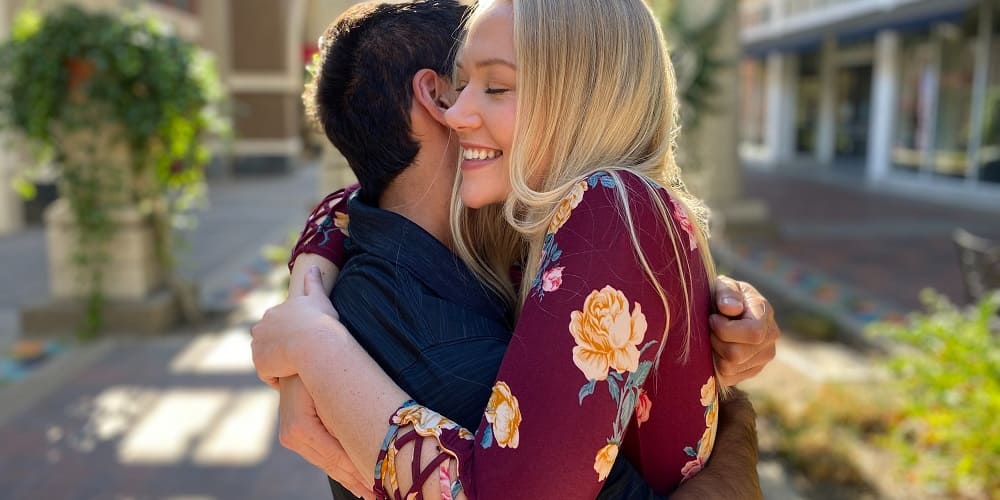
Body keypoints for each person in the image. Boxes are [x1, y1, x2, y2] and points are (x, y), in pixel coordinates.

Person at [258, 0, 778, 498]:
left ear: (579, 97)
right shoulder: (537, 239)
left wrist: (314, 344)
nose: (458, 112)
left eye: (495, 86)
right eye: (461, 86)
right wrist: (311, 283)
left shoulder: (608, 207)